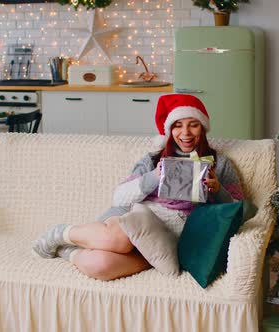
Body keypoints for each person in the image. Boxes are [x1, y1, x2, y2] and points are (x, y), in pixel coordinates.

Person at [32, 94, 244, 281]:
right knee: (120, 241)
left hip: (166, 242)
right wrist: (154, 177)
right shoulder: (152, 160)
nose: (185, 133)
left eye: (193, 124)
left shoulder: (220, 163)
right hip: (136, 222)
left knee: (100, 265)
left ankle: (66, 250)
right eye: (178, 125)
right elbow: (119, 198)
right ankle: (60, 233)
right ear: (169, 130)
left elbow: (240, 211)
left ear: (203, 128)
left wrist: (217, 190)